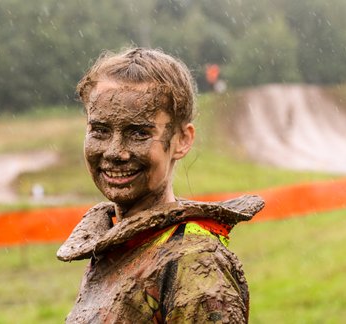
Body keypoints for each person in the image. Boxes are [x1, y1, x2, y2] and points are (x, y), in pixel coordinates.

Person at [57, 47, 264, 323]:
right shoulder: (116, 243)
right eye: (100, 130)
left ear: (182, 140)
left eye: (139, 133)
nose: (115, 151)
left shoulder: (194, 263)